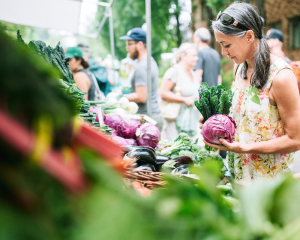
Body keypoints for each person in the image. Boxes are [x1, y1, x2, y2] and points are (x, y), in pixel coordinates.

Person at [201, 2, 300, 181]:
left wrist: (245, 148)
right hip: (238, 178)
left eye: (227, 45)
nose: (223, 52)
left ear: (248, 36)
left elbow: (295, 139)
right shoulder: (239, 68)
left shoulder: (281, 76)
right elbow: (244, 119)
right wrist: (216, 122)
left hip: (268, 185)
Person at [119, 28, 163, 131]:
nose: (127, 48)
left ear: (140, 44)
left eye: (129, 44)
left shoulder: (141, 66)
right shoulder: (150, 61)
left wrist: (120, 97)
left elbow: (141, 96)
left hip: (147, 118)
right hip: (154, 115)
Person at [160, 43, 201, 142]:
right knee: (176, 153)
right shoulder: (174, 71)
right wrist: (184, 99)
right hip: (174, 123)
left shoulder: (192, 72)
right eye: (193, 55)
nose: (197, 58)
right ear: (183, 56)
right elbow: (163, 93)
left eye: (197, 56)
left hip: (189, 122)